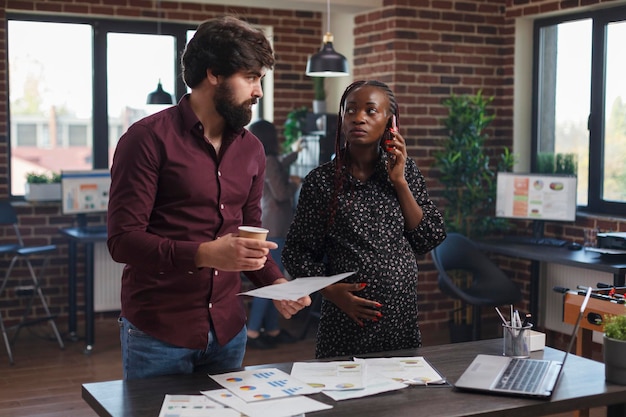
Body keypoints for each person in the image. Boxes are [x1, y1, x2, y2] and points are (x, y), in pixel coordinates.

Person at [107, 16, 310, 380]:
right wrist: (203, 253)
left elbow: (250, 237)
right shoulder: (146, 140)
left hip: (229, 332)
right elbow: (123, 242)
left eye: (260, 79)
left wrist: (277, 284)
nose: (258, 91)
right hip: (159, 333)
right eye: (250, 77)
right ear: (214, 74)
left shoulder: (253, 150)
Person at [282, 80, 447, 359]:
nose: (359, 117)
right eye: (351, 110)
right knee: (345, 399)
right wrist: (331, 291)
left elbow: (427, 237)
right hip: (345, 325)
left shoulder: (404, 172)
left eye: (371, 111)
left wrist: (399, 182)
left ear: (389, 122)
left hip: (400, 325)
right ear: (342, 119)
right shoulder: (321, 181)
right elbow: (296, 254)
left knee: (400, 399)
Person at [245, 120, 303, 349]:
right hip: (275, 227)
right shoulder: (268, 160)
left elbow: (281, 162)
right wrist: (295, 184)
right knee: (271, 282)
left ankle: (272, 329)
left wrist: (295, 153)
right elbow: (280, 193)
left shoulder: (265, 159)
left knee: (274, 282)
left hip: (272, 225)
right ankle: (252, 332)